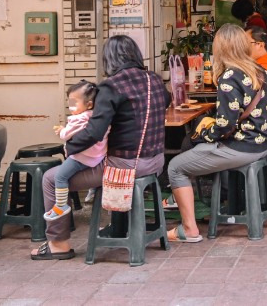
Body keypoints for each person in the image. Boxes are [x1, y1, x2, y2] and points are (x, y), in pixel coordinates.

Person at [31, 35, 168, 260]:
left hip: (125, 165)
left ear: (109, 59)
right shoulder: (153, 79)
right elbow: (168, 101)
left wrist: (70, 145)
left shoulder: (111, 87)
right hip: (155, 161)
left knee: (50, 178)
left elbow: (94, 132)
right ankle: (116, 227)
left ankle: (58, 243)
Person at [166, 24, 267, 242]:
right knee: (194, 147)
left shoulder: (229, 78)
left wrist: (204, 132)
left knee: (175, 166)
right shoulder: (262, 71)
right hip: (262, 143)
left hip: (241, 148)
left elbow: (225, 126)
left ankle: (189, 229)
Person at [43, 80, 104, 221]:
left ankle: (61, 205)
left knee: (59, 177)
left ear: (89, 104)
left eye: (74, 103)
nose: (70, 107)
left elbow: (66, 135)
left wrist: (61, 131)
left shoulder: (79, 118)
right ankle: (93, 189)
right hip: (97, 156)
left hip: (82, 158)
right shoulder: (96, 116)